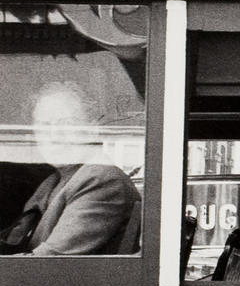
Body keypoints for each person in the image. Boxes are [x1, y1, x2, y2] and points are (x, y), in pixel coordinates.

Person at [0, 81, 140, 255]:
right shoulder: (52, 182)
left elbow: (49, 261)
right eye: (44, 126)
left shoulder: (100, 179)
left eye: (66, 123)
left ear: (92, 129)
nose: (54, 135)